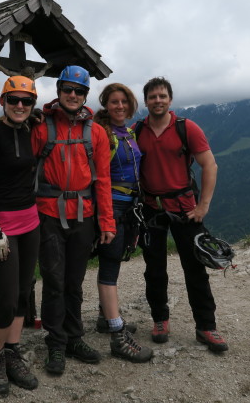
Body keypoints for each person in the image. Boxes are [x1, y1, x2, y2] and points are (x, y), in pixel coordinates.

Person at [31, 65, 116, 375]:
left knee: (74, 282)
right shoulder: (41, 128)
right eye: (67, 89)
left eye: (78, 91)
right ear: (58, 91)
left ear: (85, 96)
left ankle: (74, 337)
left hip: (84, 216)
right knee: (54, 281)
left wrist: (107, 221)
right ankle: (56, 343)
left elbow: (103, 180)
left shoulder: (96, 133)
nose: (72, 95)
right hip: (48, 214)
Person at [136, 76, 228, 353]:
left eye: (162, 96)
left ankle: (206, 327)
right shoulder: (137, 130)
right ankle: (160, 320)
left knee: (195, 267)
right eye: (153, 97)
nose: (158, 101)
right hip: (152, 208)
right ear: (146, 101)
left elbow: (209, 165)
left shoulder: (186, 128)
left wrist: (203, 206)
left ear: (170, 100)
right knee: (154, 269)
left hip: (185, 209)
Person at [0, 76, 41, 395]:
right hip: (2, 227)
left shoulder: (30, 129)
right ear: (2, 101)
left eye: (26, 101)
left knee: (24, 294)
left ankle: (12, 351)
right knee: (6, 298)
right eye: (13, 99)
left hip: (31, 222)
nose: (19, 105)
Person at [93, 83, 152, 363]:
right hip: (113, 206)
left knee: (114, 260)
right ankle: (117, 334)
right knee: (110, 263)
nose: (120, 106)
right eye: (114, 102)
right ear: (106, 105)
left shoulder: (127, 132)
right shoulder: (104, 134)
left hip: (129, 206)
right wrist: (105, 217)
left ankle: (106, 318)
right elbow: (101, 176)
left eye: (124, 102)